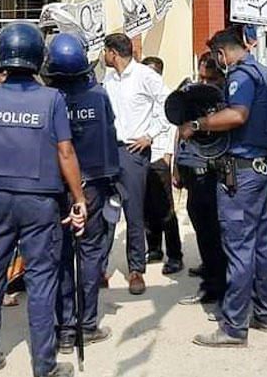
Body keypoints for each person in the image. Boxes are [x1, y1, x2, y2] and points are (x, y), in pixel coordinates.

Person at [0, 22, 87, 377]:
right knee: (40, 281)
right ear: (39, 58)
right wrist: (79, 198)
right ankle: (44, 366)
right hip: (39, 201)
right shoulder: (52, 99)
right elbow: (65, 152)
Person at [179, 27, 267, 348]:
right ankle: (265, 313)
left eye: (216, 57)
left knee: (239, 248)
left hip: (242, 171)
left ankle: (234, 327)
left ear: (223, 54)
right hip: (263, 167)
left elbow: (238, 115)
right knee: (262, 245)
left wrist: (197, 125)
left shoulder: (241, 75)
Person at [45, 33, 118, 355]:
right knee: (89, 255)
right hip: (92, 185)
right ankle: (86, 325)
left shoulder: (47, 99)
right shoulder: (98, 96)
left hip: (57, 187)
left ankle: (64, 328)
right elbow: (110, 133)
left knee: (61, 257)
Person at [102, 33, 170, 295]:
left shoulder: (145, 76)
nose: (103, 57)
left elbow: (168, 104)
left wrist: (151, 134)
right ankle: (100, 268)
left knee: (134, 214)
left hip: (133, 151)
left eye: (105, 52)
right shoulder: (108, 78)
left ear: (113, 53)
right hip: (109, 151)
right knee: (107, 212)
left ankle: (136, 270)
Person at [176, 54, 228, 306]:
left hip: (214, 173)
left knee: (215, 232)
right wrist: (177, 166)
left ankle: (215, 286)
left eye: (212, 78)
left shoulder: (226, 102)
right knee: (201, 225)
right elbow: (180, 129)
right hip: (191, 169)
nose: (206, 83)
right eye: (202, 77)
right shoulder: (191, 97)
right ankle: (210, 269)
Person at [140, 56, 183, 275]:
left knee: (166, 209)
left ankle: (175, 255)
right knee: (147, 207)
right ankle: (154, 248)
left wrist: (169, 155)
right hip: (141, 156)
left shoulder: (166, 96)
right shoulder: (140, 93)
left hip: (160, 157)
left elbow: (173, 128)